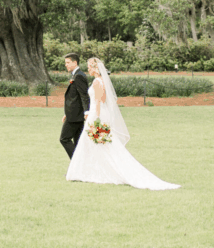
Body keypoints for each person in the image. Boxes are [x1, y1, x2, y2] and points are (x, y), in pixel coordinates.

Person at [65, 57, 180, 190]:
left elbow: (99, 103)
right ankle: (91, 171)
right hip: (99, 114)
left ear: (96, 69)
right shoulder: (102, 81)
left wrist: (96, 119)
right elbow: (104, 99)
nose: (88, 70)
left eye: (90, 67)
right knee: (98, 145)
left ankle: (87, 172)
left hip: (96, 116)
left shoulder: (97, 82)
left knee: (97, 145)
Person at [59, 53, 90, 159]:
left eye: (68, 62)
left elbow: (84, 95)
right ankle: (81, 165)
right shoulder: (75, 75)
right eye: (65, 63)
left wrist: (86, 111)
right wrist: (66, 113)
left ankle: (76, 162)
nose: (66, 65)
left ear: (75, 62)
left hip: (75, 116)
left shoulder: (79, 76)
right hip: (74, 114)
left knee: (64, 139)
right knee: (78, 142)